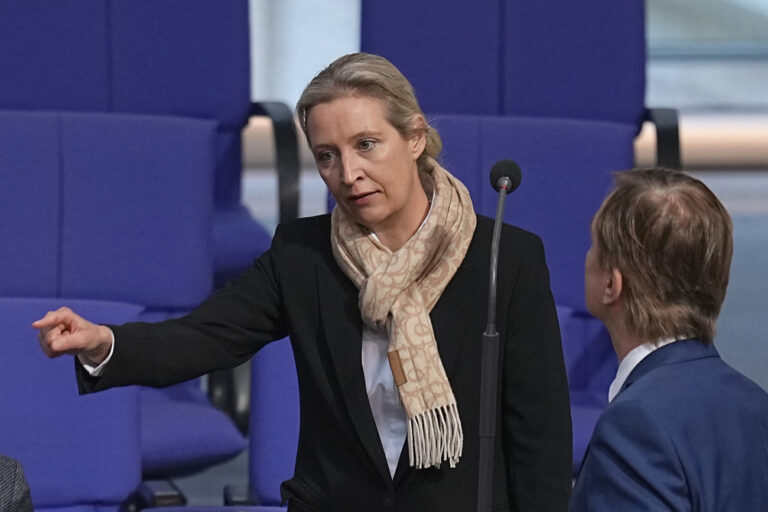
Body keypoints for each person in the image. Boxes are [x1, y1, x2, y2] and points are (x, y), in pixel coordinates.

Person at [35, 53, 572, 511]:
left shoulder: (505, 257)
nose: (348, 173)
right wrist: (106, 342)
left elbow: (539, 436)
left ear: (413, 137)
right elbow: (206, 337)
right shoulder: (302, 254)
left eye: (366, 144)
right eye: (327, 156)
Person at [569, 168, 768, 511]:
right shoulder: (757, 407)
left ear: (611, 285)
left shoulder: (634, 427)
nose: (586, 256)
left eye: (594, 245)